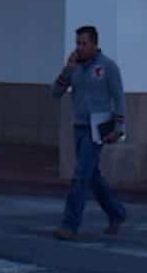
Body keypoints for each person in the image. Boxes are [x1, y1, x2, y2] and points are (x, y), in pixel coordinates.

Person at [50, 24, 126, 240]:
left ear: (94, 44)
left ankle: (69, 224)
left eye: (84, 43)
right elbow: (55, 93)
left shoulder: (108, 66)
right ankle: (116, 212)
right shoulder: (75, 68)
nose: (80, 47)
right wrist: (67, 70)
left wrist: (119, 127)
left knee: (80, 175)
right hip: (79, 126)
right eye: (77, 43)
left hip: (98, 127)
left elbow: (119, 97)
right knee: (91, 176)